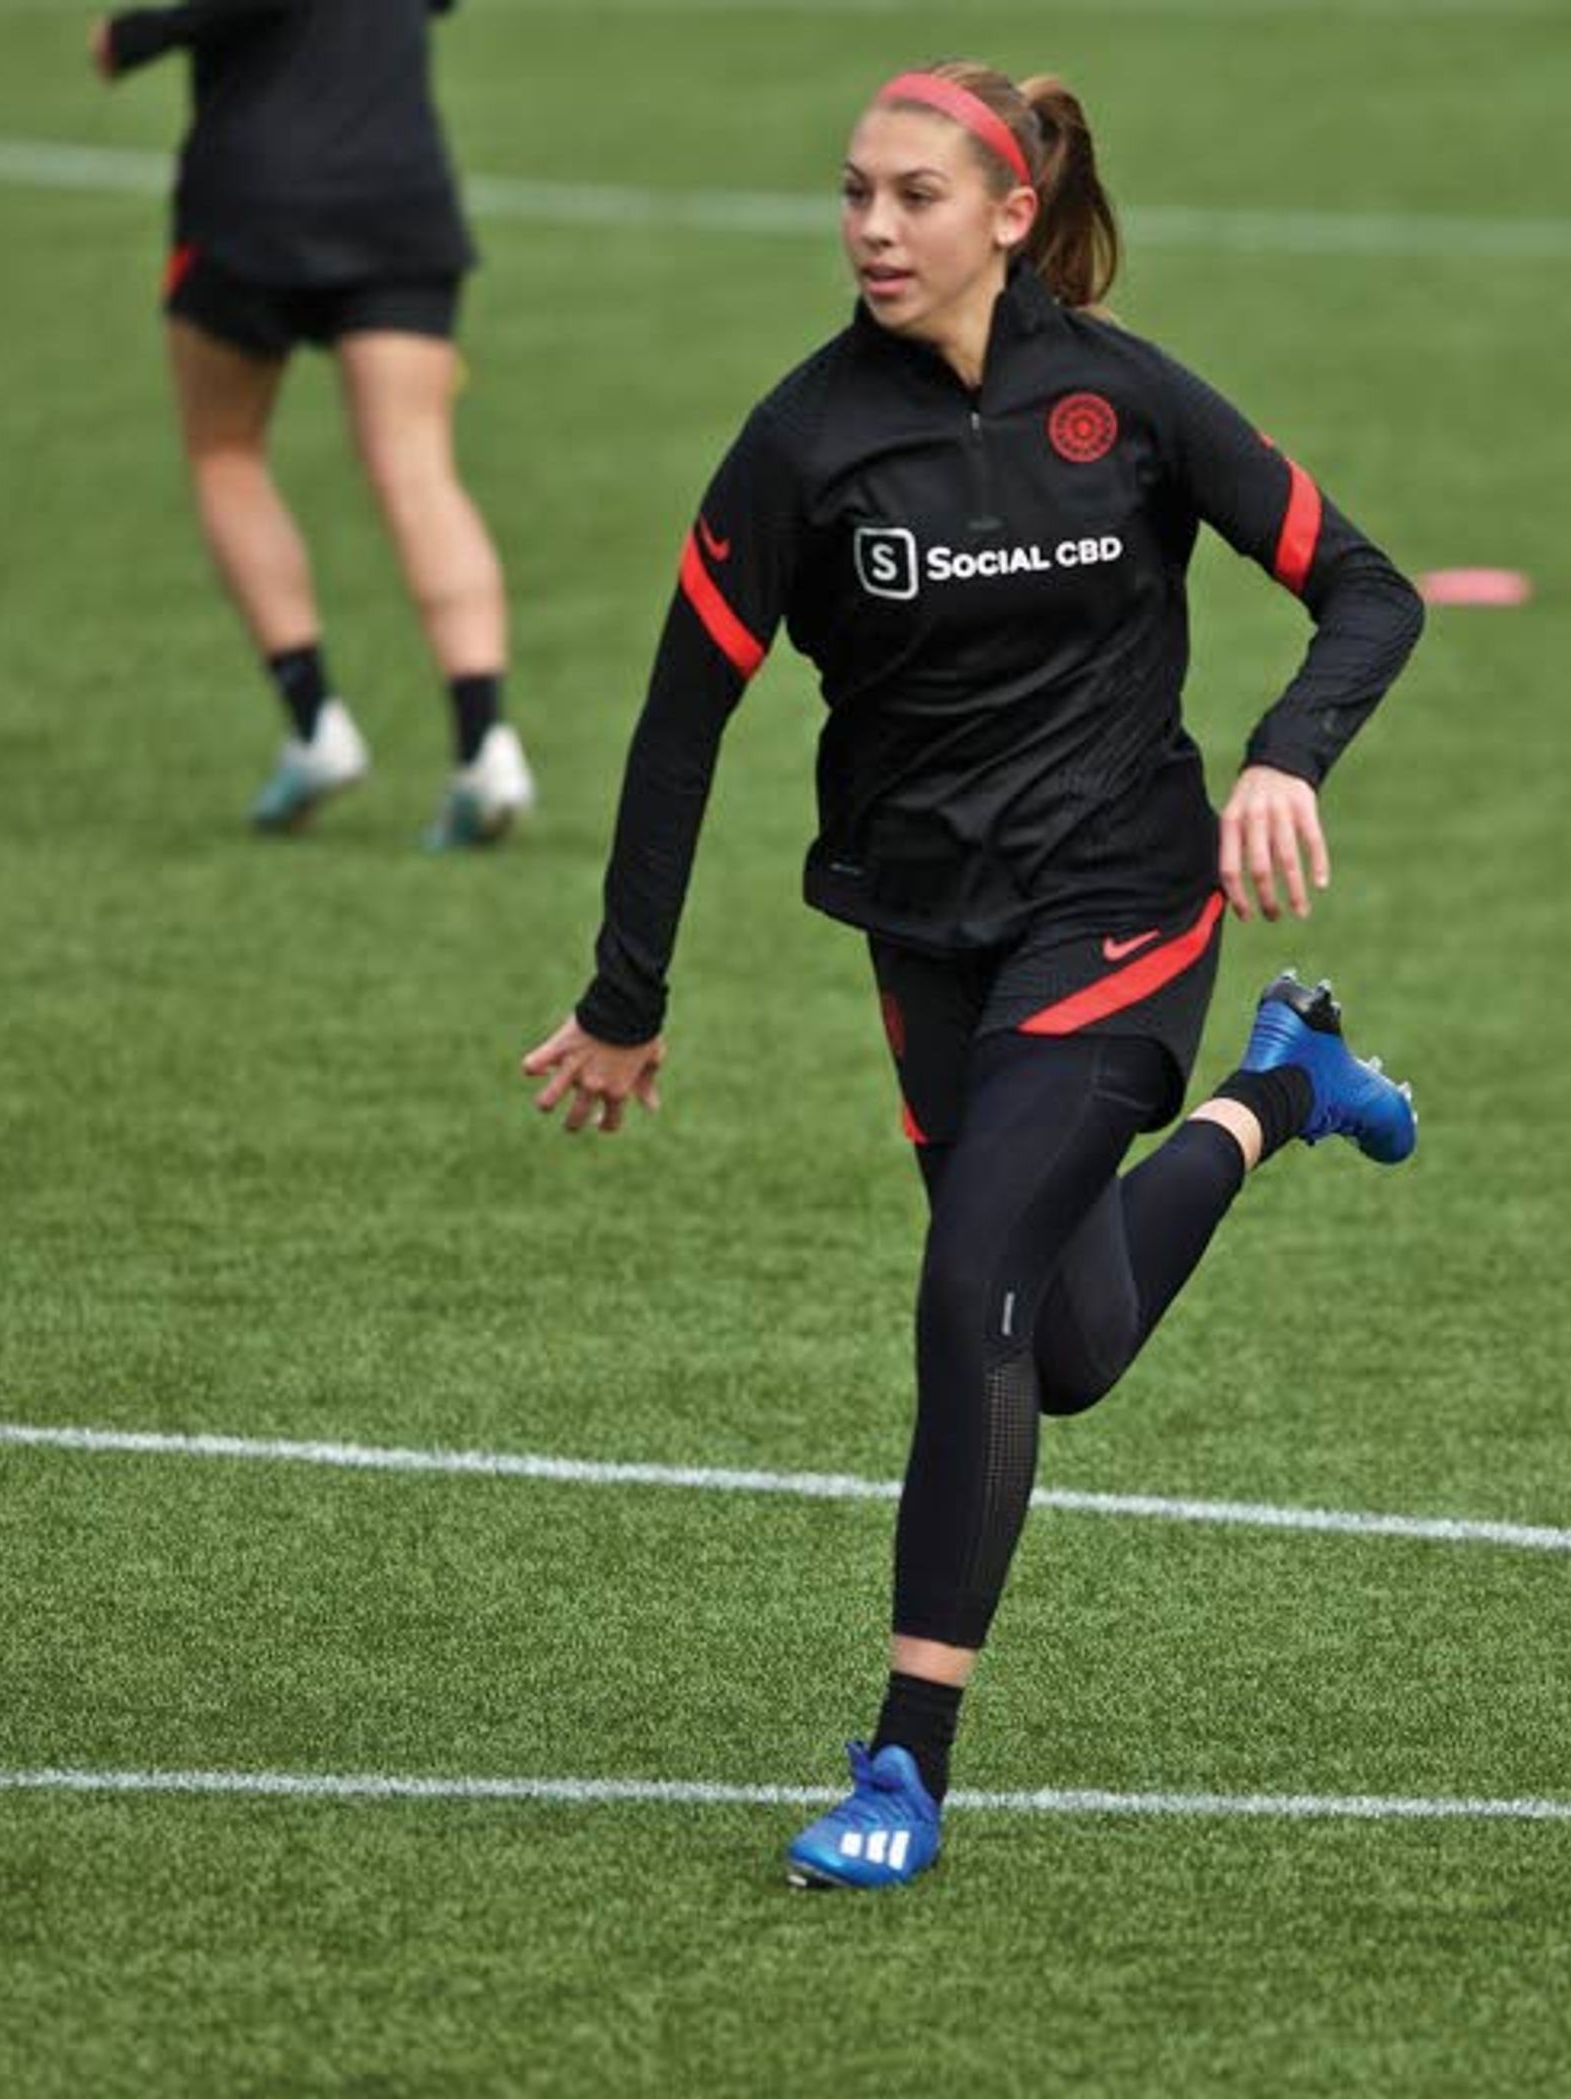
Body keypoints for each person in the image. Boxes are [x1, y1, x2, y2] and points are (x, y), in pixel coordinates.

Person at [516, 62, 1429, 1890]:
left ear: (1009, 216)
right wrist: (627, 993)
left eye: (914, 196)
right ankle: (1284, 1082)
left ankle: (904, 1765)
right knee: (1065, 1341)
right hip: (930, 933)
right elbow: (682, 718)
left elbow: (1371, 589)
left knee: (967, 1287)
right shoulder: (801, 445)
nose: (871, 228)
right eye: (853, 192)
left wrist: (1281, 759)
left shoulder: (1126, 397)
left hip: (1127, 903)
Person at [95, 0, 534, 843]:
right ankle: (486, 746)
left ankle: (315, 723)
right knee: (417, 465)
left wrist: (136, 35)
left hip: (256, 197)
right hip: (399, 193)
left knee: (224, 451)